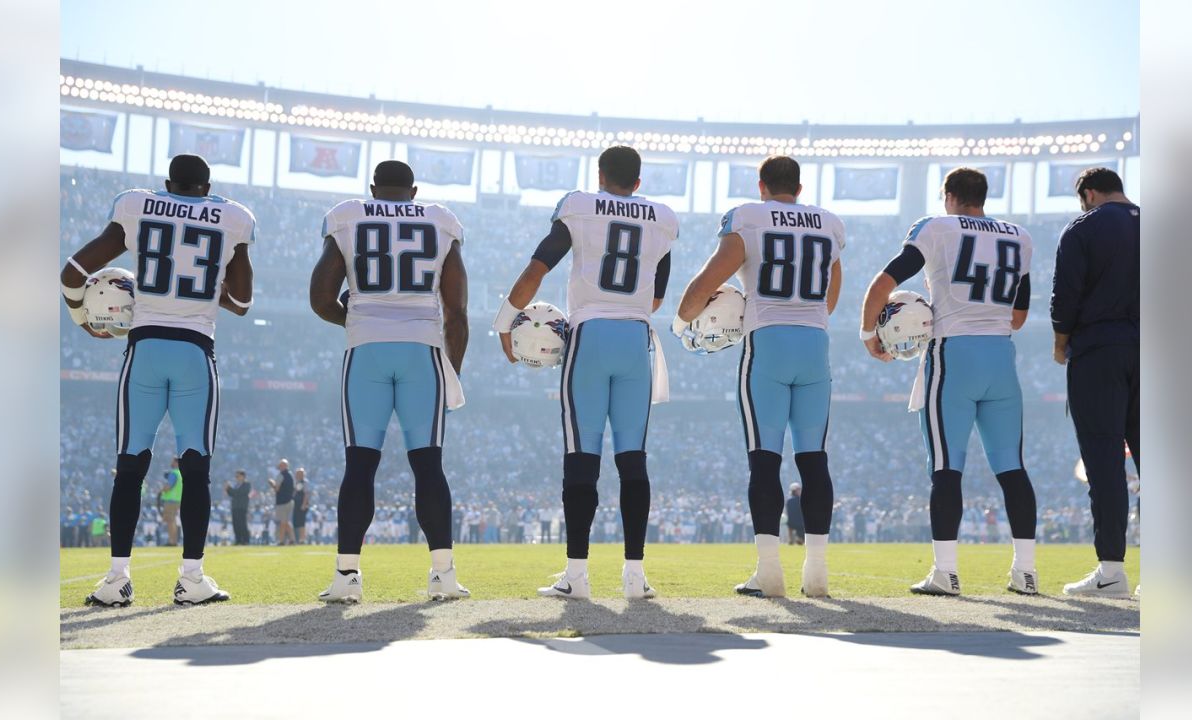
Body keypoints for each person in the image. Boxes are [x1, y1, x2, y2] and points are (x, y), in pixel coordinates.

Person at [63, 153, 253, 606]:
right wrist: (206, 289)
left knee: (129, 468)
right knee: (196, 468)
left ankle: (115, 581)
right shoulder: (234, 217)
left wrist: (80, 318)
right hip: (194, 351)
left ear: (167, 182)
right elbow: (243, 302)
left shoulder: (136, 205)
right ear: (207, 188)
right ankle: (191, 580)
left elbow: (72, 273)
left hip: (144, 350)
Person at [496, 146, 677, 600]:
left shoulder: (579, 205)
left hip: (590, 337)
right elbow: (656, 298)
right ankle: (635, 577)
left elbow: (538, 269)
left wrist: (505, 320)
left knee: (582, 458)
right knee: (633, 460)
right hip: (637, 341)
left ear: (600, 175)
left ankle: (576, 576)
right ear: (638, 182)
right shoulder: (662, 218)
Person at [859, 166, 1039, 596]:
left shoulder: (936, 227)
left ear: (949, 195)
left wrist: (869, 334)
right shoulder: (1019, 235)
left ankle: (946, 573)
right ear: (983, 195)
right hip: (1000, 357)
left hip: (954, 357)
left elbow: (885, 281)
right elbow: (1018, 315)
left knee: (945, 468)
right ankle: (1027, 573)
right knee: (1012, 469)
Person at [674, 156, 841, 598]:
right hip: (814, 344)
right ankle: (817, 572)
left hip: (767, 343)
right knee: (814, 460)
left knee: (764, 460)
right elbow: (832, 291)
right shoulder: (828, 223)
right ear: (800, 189)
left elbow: (716, 271)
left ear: (761, 185)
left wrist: (683, 318)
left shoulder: (747, 216)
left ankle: (769, 573)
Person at [310, 160, 470, 603]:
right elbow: (456, 312)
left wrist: (360, 320)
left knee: (360, 465)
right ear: (414, 191)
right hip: (422, 350)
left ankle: (347, 578)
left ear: (372, 189)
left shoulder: (348, 215)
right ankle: (443, 576)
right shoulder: (440, 220)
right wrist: (451, 368)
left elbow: (320, 298)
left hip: (366, 351)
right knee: (428, 464)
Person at [1050, 167, 1140, 597]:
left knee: (1105, 462)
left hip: (1100, 350)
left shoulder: (1083, 227)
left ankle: (1111, 570)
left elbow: (1064, 295)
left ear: (1088, 193)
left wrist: (1060, 342)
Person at [269, 459, 296, 545]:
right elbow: (294, 489)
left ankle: (281, 541)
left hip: (282, 502)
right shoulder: (291, 475)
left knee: (283, 522)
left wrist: (272, 483)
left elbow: (277, 488)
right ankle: (292, 539)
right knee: (286, 521)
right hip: (290, 501)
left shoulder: (280, 475)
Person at [159, 458, 182, 546]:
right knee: (173, 521)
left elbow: (168, 487)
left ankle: (172, 541)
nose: (171, 463)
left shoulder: (174, 473)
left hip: (171, 501)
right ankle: (174, 540)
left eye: (172, 461)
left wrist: (161, 490)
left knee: (170, 521)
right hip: (177, 500)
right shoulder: (180, 473)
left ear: (176, 462)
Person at [226, 469, 251, 545]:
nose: (236, 477)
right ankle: (238, 540)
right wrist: (228, 489)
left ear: (243, 476)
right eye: (236, 476)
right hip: (235, 507)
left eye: (238, 476)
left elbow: (239, 493)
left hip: (242, 507)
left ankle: (245, 540)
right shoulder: (236, 485)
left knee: (242, 524)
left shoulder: (247, 484)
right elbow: (232, 494)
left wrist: (230, 489)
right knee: (235, 524)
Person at [293, 467, 310, 544]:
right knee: (297, 522)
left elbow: (306, 494)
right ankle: (299, 538)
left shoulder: (304, 482)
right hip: (296, 504)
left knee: (301, 522)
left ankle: (302, 539)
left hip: (301, 504)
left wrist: (303, 504)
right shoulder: (297, 482)